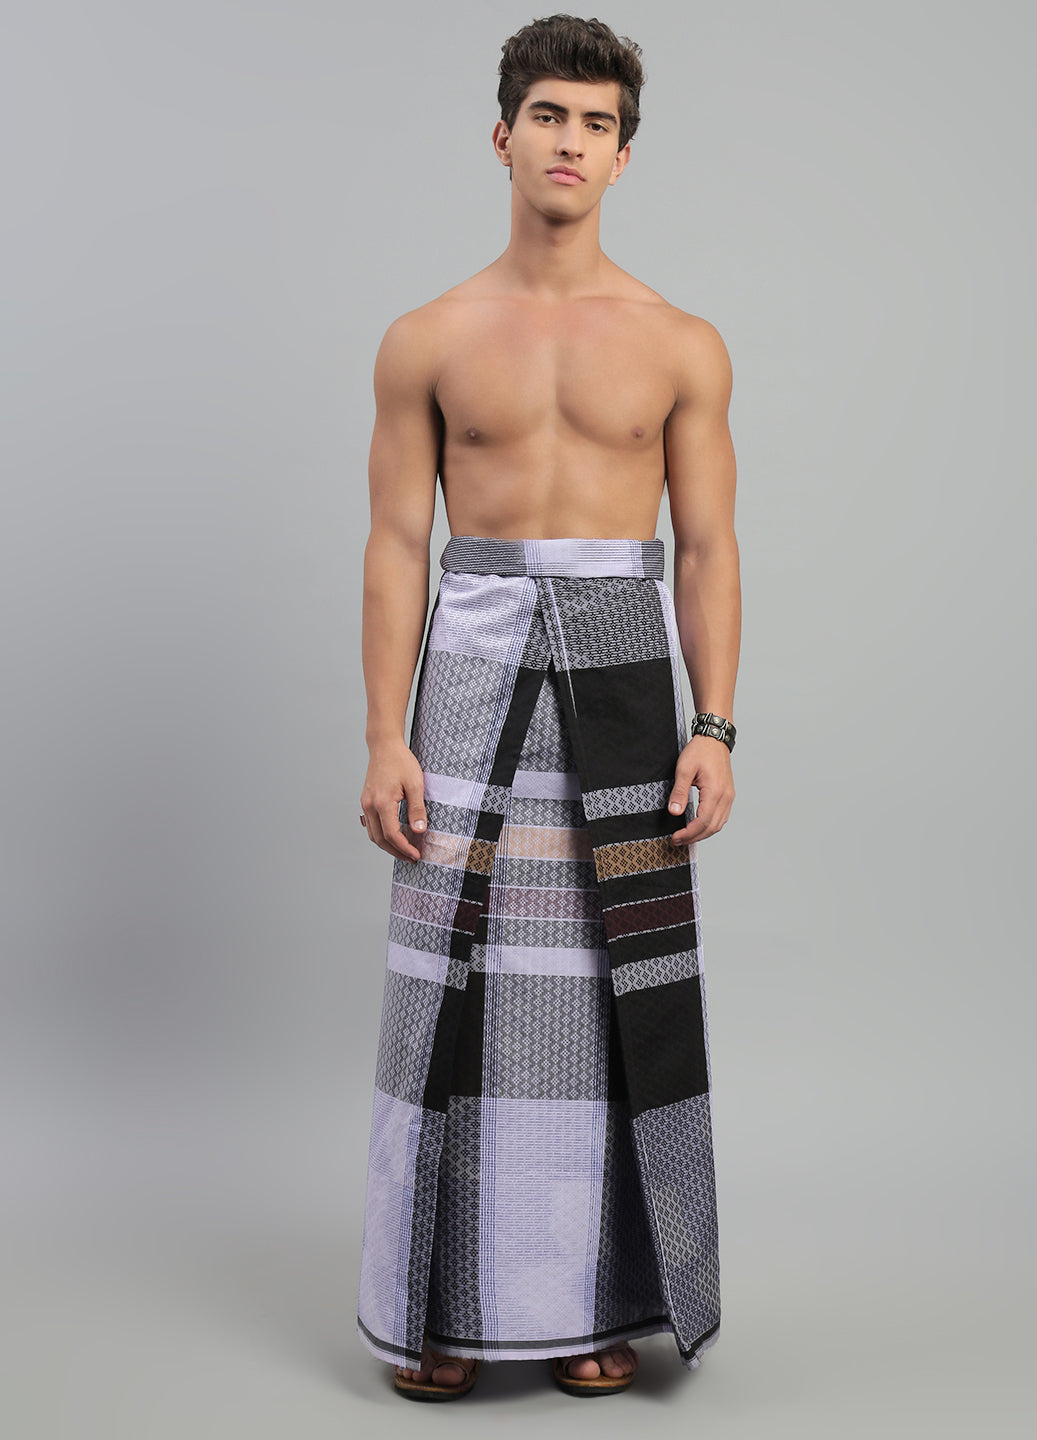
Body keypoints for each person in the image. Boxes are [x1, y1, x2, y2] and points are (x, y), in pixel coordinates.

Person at [355, 13, 740, 1401]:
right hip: (469, 654)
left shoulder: (681, 343)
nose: (571, 142)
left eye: (597, 124)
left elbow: (708, 548)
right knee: (447, 981)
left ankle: (590, 1303)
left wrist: (716, 726)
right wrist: (383, 735)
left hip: (624, 660)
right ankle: (436, 1309)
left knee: (605, 983)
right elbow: (398, 543)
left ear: (623, 155)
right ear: (503, 134)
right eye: (550, 117)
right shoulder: (428, 338)